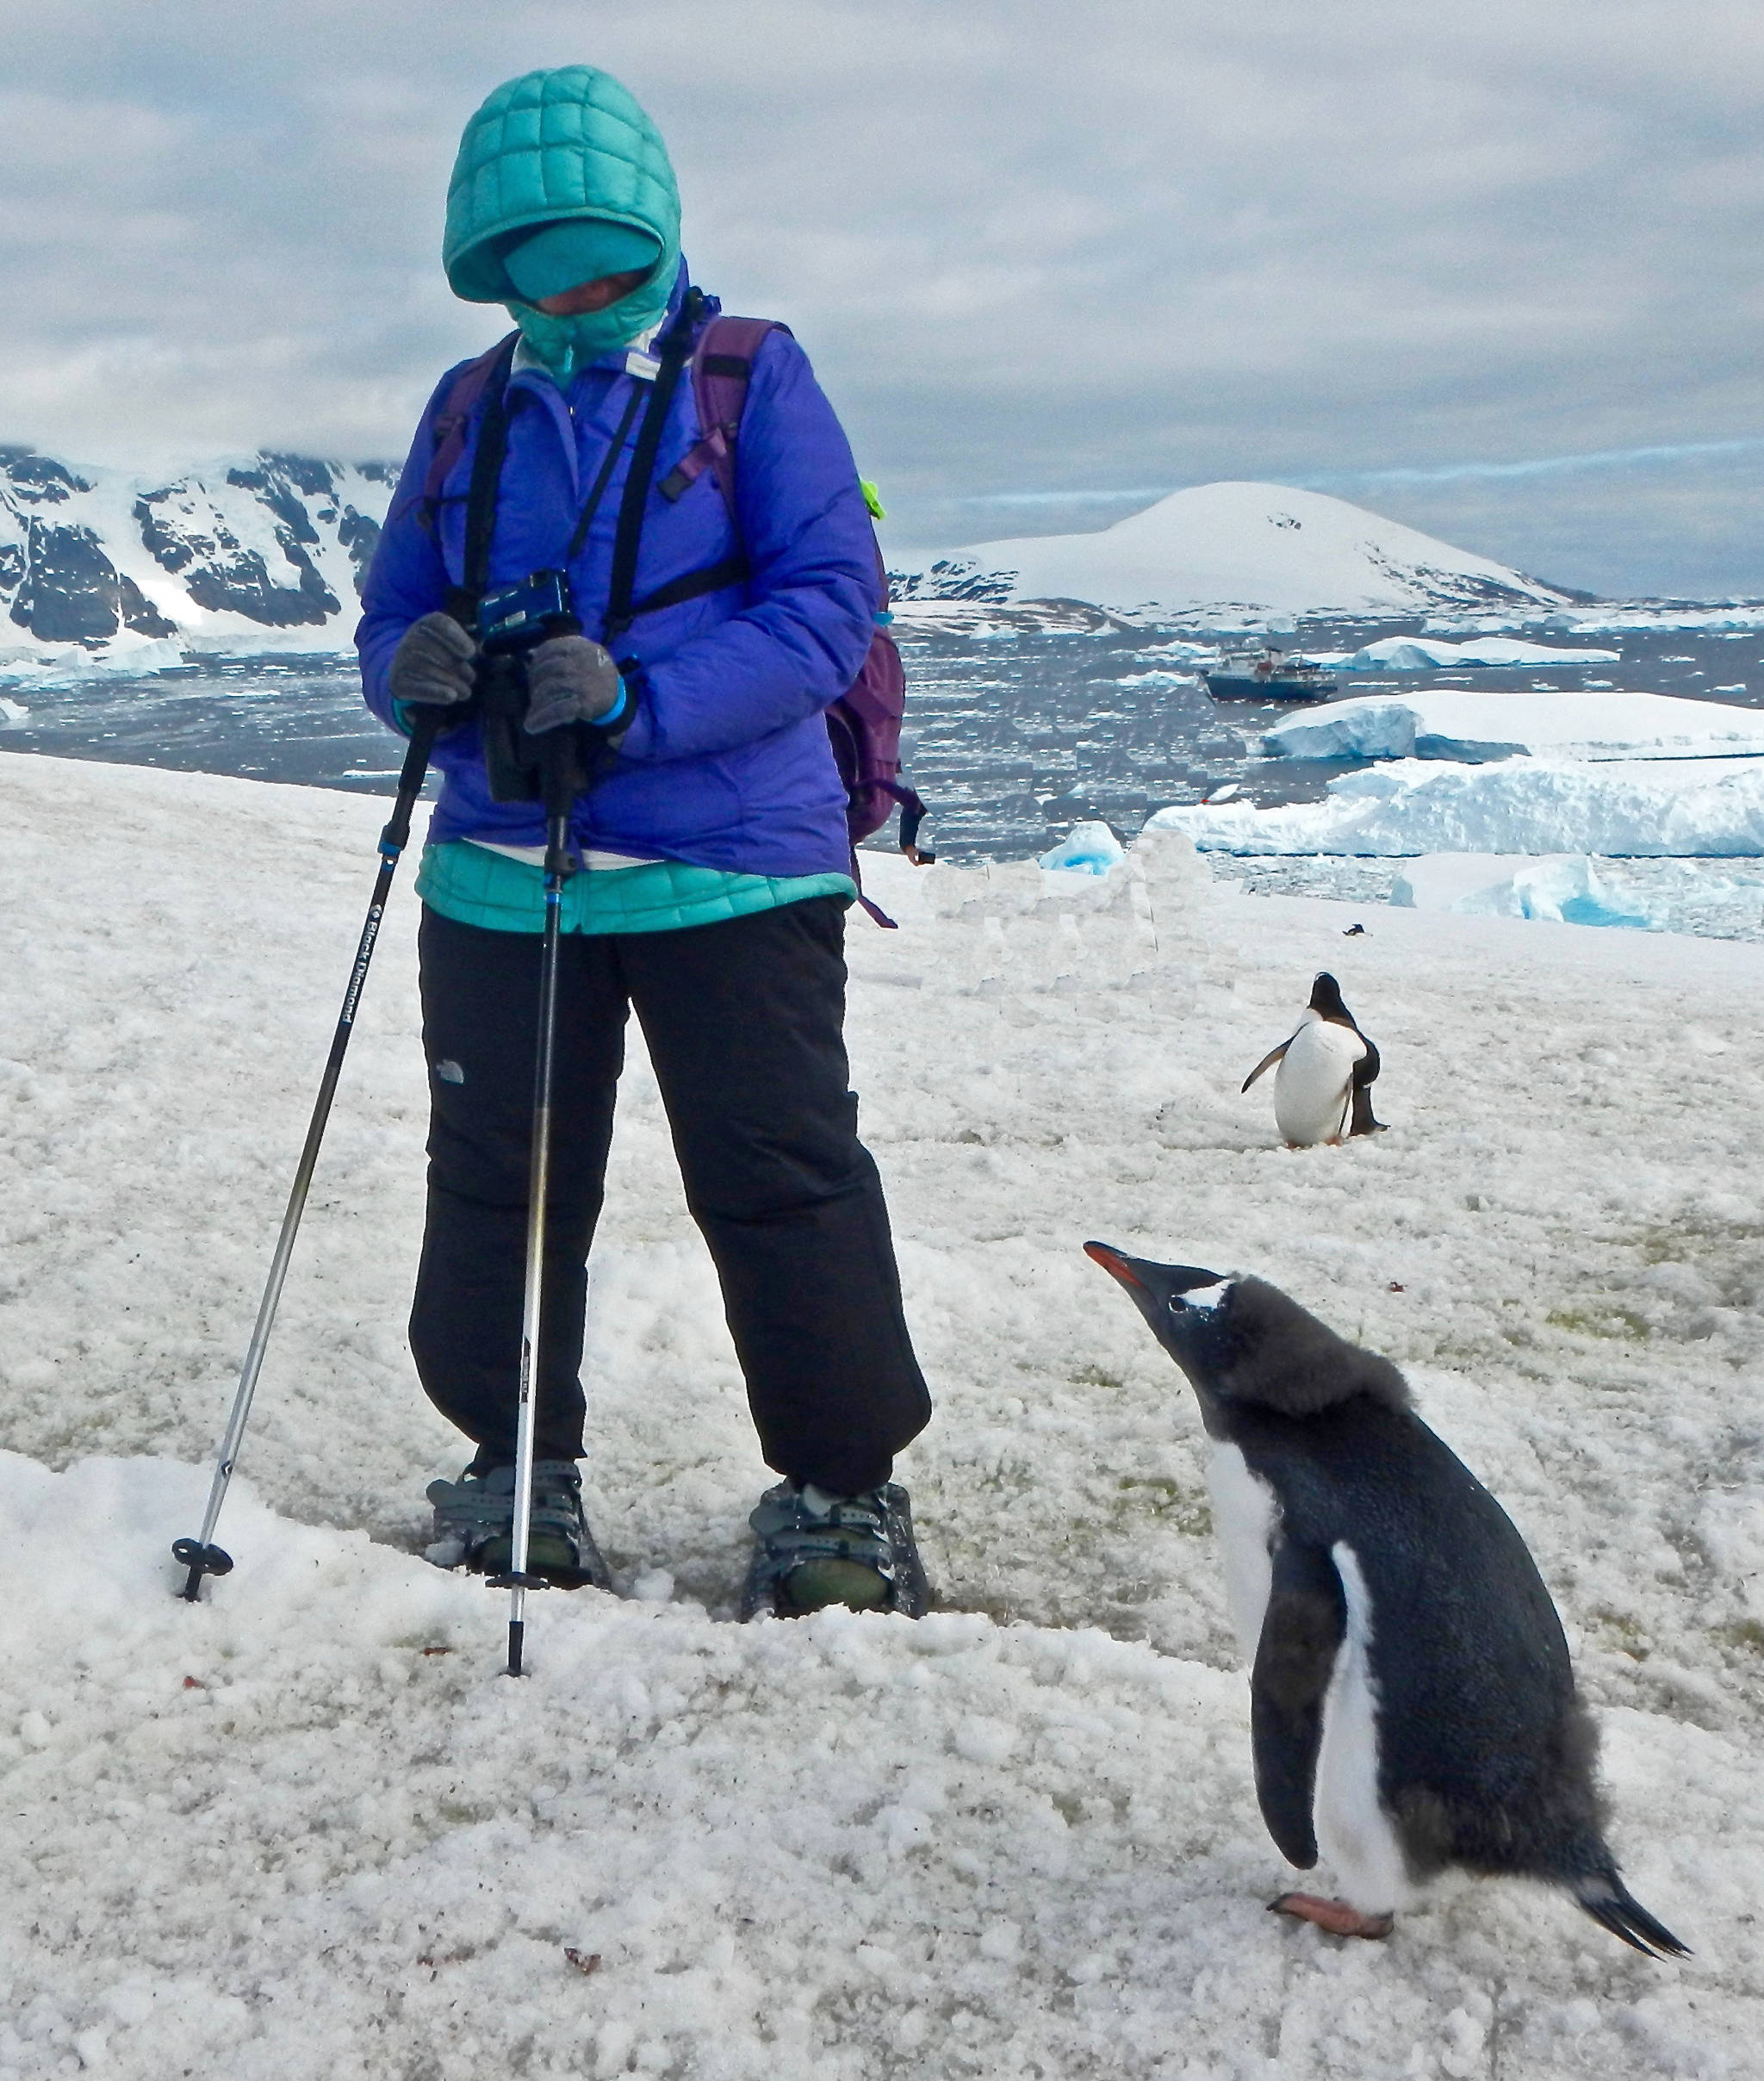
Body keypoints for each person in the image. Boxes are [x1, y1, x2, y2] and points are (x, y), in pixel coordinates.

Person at [357, 65, 933, 1618]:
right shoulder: (471, 402)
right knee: (504, 1185)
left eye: (609, 260)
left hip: (733, 864)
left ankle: (839, 1497)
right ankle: (514, 1467)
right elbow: (398, 603)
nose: (584, 296)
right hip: (499, 863)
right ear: (494, 265)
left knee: (780, 1180)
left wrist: (642, 698)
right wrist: (403, 668)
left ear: (657, 231)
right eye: (545, 268)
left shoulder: (755, 376)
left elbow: (830, 606)